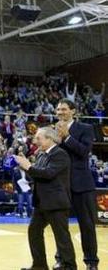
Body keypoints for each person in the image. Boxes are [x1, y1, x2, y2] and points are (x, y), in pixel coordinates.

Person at [15, 127, 76, 270]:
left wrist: (29, 167)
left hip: (56, 203)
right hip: (42, 203)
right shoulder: (42, 155)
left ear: (49, 139)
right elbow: (36, 175)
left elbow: (49, 173)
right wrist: (25, 167)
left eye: (38, 138)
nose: (35, 141)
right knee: (34, 231)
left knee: (61, 236)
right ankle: (39, 265)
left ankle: (69, 266)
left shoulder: (60, 154)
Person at [55, 99, 99, 270]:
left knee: (87, 225)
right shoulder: (54, 130)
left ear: (73, 111)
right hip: (61, 185)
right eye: (58, 109)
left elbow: (84, 152)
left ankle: (91, 262)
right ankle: (62, 260)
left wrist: (67, 137)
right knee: (60, 226)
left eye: (64, 109)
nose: (60, 112)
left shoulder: (85, 128)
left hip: (82, 185)